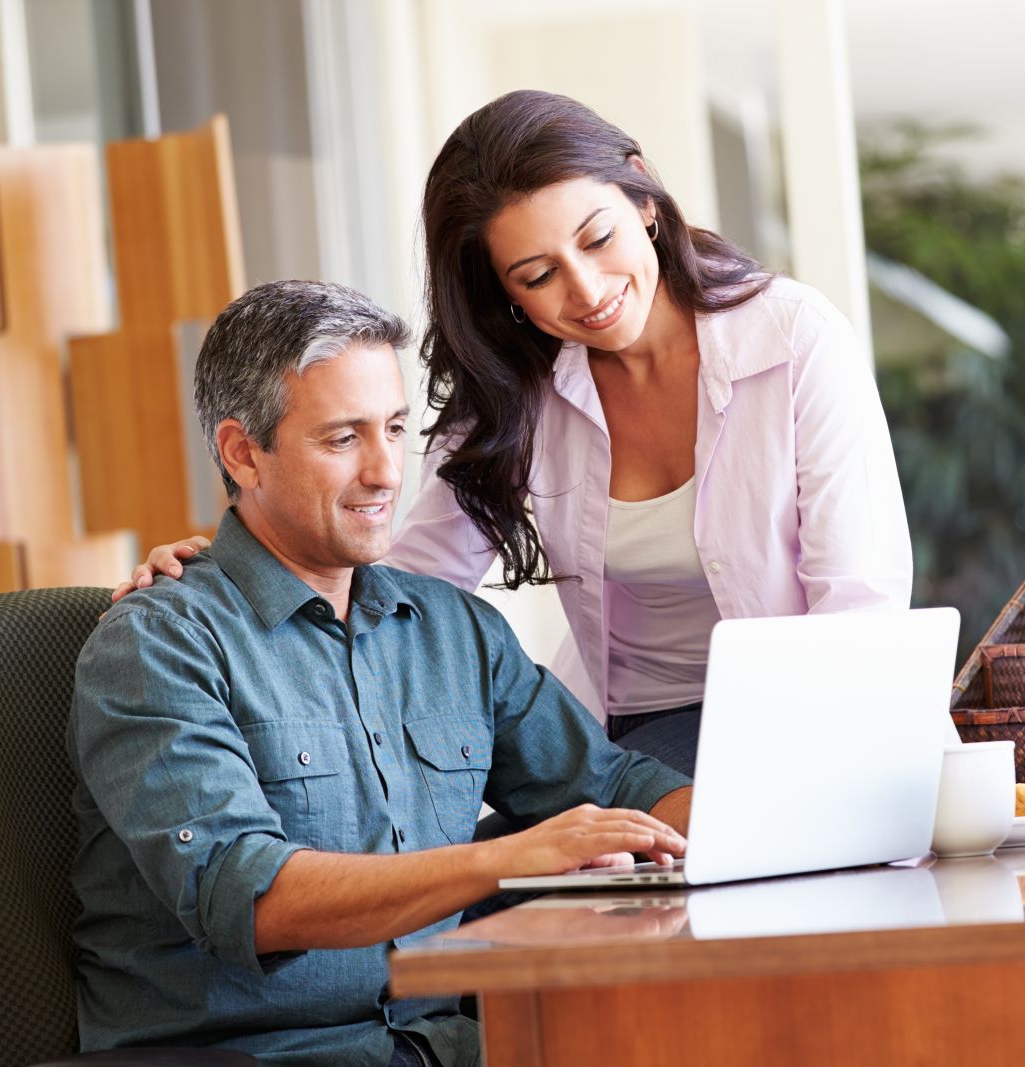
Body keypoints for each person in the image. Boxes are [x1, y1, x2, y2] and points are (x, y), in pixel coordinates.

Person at [120, 90, 913, 777]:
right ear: (504, 293)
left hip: (807, 715)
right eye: (538, 275)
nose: (588, 291)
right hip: (629, 733)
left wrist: (807, 767)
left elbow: (859, 602)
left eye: (597, 239)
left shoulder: (794, 339)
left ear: (644, 197)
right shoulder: (515, 382)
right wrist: (222, 582)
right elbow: (413, 580)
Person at [71, 280, 692, 1066]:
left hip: (443, 1044)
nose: (387, 471)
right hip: (257, 1054)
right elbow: (248, 893)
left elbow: (613, 785)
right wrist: (506, 857)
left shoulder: (453, 630)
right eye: (343, 439)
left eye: (395, 429)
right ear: (242, 452)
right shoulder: (157, 643)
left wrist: (746, 831)